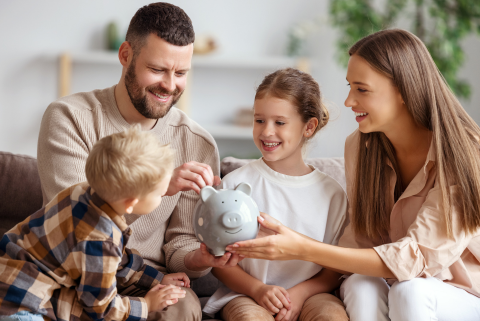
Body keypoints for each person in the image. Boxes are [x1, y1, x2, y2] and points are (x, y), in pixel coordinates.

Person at [225, 29, 480, 321]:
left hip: (463, 294)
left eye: (361, 89)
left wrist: (302, 248)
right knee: (360, 284)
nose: (348, 101)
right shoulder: (362, 146)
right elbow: (359, 243)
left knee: (411, 291)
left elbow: (416, 258)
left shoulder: (466, 151)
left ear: (402, 90)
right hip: (400, 283)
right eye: (350, 87)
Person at [37, 3, 241, 319]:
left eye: (181, 72)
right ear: (125, 55)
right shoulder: (70, 118)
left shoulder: (197, 143)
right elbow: (75, 225)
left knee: (183, 305)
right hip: (76, 271)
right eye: (158, 69)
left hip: (146, 277)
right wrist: (158, 186)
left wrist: (202, 258)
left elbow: (179, 248)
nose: (170, 85)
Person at [0, 126, 191, 321]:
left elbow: (117, 260)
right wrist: (148, 304)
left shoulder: (83, 191)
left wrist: (157, 279)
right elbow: (101, 308)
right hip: (21, 304)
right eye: (160, 194)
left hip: (9, 269)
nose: (164, 194)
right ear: (131, 203)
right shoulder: (99, 240)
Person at [203, 68, 349, 321]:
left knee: (331, 316)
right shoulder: (236, 183)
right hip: (245, 293)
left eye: (279, 122)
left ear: (309, 127)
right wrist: (257, 289)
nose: (266, 132)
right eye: (259, 120)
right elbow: (220, 261)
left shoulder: (332, 194)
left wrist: (300, 294)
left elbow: (333, 269)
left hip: (310, 294)